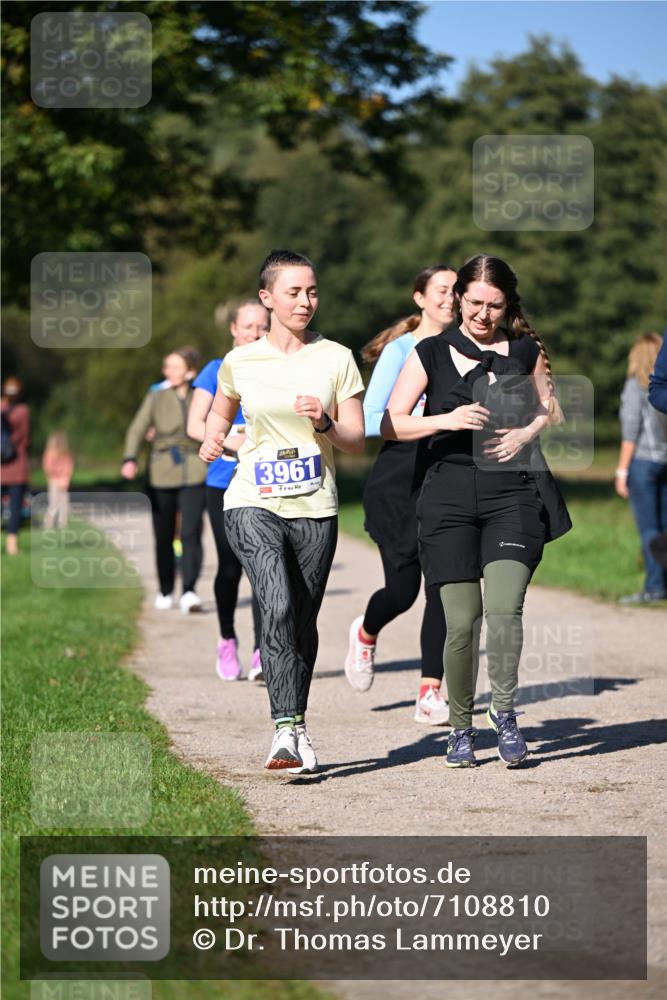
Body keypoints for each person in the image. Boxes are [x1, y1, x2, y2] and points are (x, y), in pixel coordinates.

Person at [382, 253, 571, 769]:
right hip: (448, 497)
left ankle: (505, 713)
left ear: (508, 304)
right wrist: (447, 418)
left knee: (506, 609)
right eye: (475, 303)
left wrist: (526, 432)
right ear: (458, 298)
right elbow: (391, 423)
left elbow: (545, 407)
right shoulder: (430, 352)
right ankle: (460, 728)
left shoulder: (525, 349)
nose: (484, 315)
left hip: (513, 494)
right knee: (462, 622)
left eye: (495, 305)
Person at [200, 250, 365, 773]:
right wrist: (212, 437)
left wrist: (323, 423)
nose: (306, 301)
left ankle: (298, 723)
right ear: (267, 298)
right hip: (251, 499)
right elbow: (220, 409)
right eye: (294, 292)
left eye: (312, 291)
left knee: (301, 618)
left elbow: (357, 440)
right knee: (274, 602)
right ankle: (283, 732)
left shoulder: (336, 358)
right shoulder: (240, 361)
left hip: (315, 505)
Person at [344, 265, 455, 727]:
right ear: (420, 299)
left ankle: (430, 692)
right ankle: (366, 633)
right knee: (403, 591)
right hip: (399, 479)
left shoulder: (468, 351)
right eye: (443, 291)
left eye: (457, 291)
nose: (451, 299)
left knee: (445, 590)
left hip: (449, 478)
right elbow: (370, 421)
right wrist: (432, 419)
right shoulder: (401, 350)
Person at [188, 299, 270, 681]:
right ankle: (226, 638)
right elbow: (195, 425)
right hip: (223, 482)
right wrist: (235, 443)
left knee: (262, 567)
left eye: (263, 327)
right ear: (234, 329)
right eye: (249, 327)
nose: (256, 334)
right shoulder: (215, 370)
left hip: (267, 480)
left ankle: (260, 651)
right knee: (230, 565)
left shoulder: (275, 366)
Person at [122, 346, 207, 613]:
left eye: (174, 366)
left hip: (195, 468)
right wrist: (130, 457)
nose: (167, 371)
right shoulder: (156, 395)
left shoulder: (201, 393)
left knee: (192, 532)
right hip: (162, 471)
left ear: (189, 370)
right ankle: (165, 588)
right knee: (164, 534)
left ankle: (190, 590)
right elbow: (137, 427)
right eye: (166, 366)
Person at [615, 332, 667, 604]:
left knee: (649, 528)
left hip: (644, 464)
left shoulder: (636, 386)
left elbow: (630, 432)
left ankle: (654, 587)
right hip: (665, 461)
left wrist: (622, 471)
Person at [1, 377, 30, 556]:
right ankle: (12, 545)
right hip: (16, 466)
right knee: (15, 507)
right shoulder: (23, 410)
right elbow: (25, 437)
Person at [42, 431, 74, 528]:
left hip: (64, 480)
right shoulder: (49, 453)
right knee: (53, 502)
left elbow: (69, 466)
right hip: (54, 480)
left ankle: (63, 523)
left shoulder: (66, 454)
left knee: (64, 502)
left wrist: (65, 477)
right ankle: (49, 522)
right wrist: (56, 472)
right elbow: (47, 467)